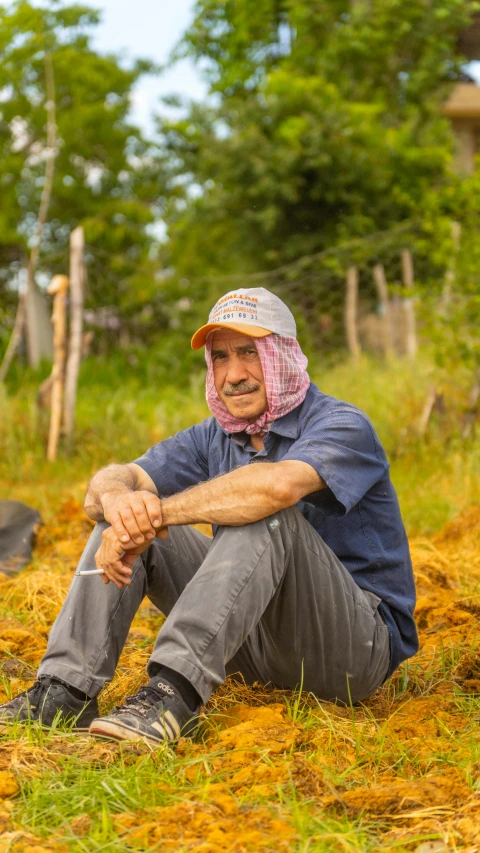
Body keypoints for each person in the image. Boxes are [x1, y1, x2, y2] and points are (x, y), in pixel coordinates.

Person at [0, 288, 418, 745]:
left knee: (261, 510)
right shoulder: (215, 436)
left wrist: (155, 511)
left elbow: (276, 488)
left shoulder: (340, 424)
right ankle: (65, 690)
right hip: (251, 643)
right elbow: (109, 483)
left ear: (283, 355)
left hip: (350, 653)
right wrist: (121, 502)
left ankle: (172, 692)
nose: (233, 374)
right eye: (220, 358)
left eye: (248, 353)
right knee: (118, 517)